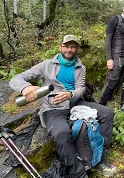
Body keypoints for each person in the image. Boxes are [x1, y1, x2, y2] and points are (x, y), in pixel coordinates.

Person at [9, 35, 116, 177]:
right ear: (60, 47)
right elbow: (16, 79)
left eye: (72, 47)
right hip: (54, 109)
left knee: (107, 113)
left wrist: (69, 94)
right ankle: (78, 173)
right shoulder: (46, 65)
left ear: (76, 49)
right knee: (61, 134)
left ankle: (100, 157)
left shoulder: (80, 67)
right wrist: (25, 88)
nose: (69, 50)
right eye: (66, 46)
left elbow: (81, 89)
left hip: (76, 103)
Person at [99, 1, 124, 108]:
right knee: (113, 81)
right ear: (123, 9)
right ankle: (101, 104)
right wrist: (109, 58)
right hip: (117, 57)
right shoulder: (115, 20)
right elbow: (107, 39)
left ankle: (123, 106)